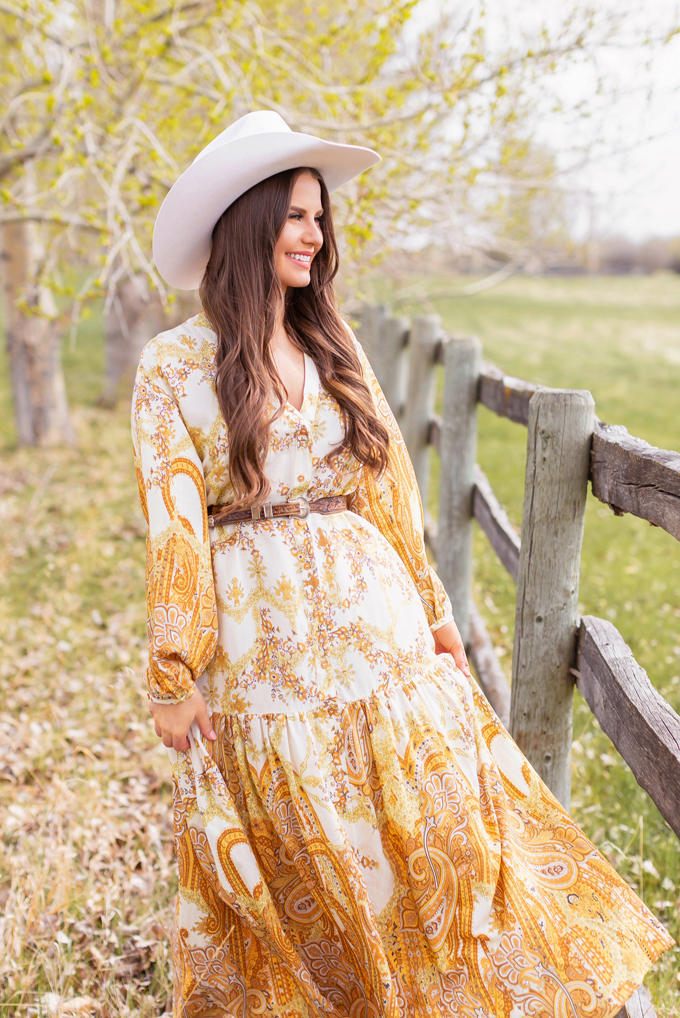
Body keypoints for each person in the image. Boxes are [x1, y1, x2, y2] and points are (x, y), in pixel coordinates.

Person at [132, 111, 672, 1018]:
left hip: (377, 629)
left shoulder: (328, 343)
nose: (315, 235)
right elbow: (174, 525)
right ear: (248, 223)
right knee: (312, 850)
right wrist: (170, 670)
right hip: (262, 653)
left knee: (438, 830)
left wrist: (435, 613)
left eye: (318, 217)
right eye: (297, 215)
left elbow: (388, 488)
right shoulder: (173, 364)